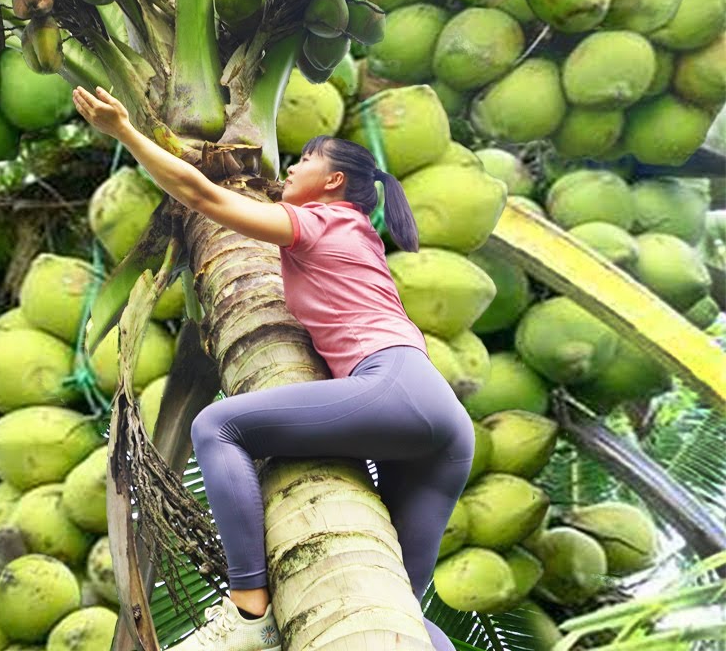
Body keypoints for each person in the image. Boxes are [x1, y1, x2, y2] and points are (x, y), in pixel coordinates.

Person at [72, 86, 474, 651]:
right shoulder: (357, 235)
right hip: (443, 426)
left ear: (334, 181)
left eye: (306, 159)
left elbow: (202, 196)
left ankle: (249, 609)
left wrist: (124, 131)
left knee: (218, 427)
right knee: (393, 606)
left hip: (394, 388)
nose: (292, 167)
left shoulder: (322, 220)